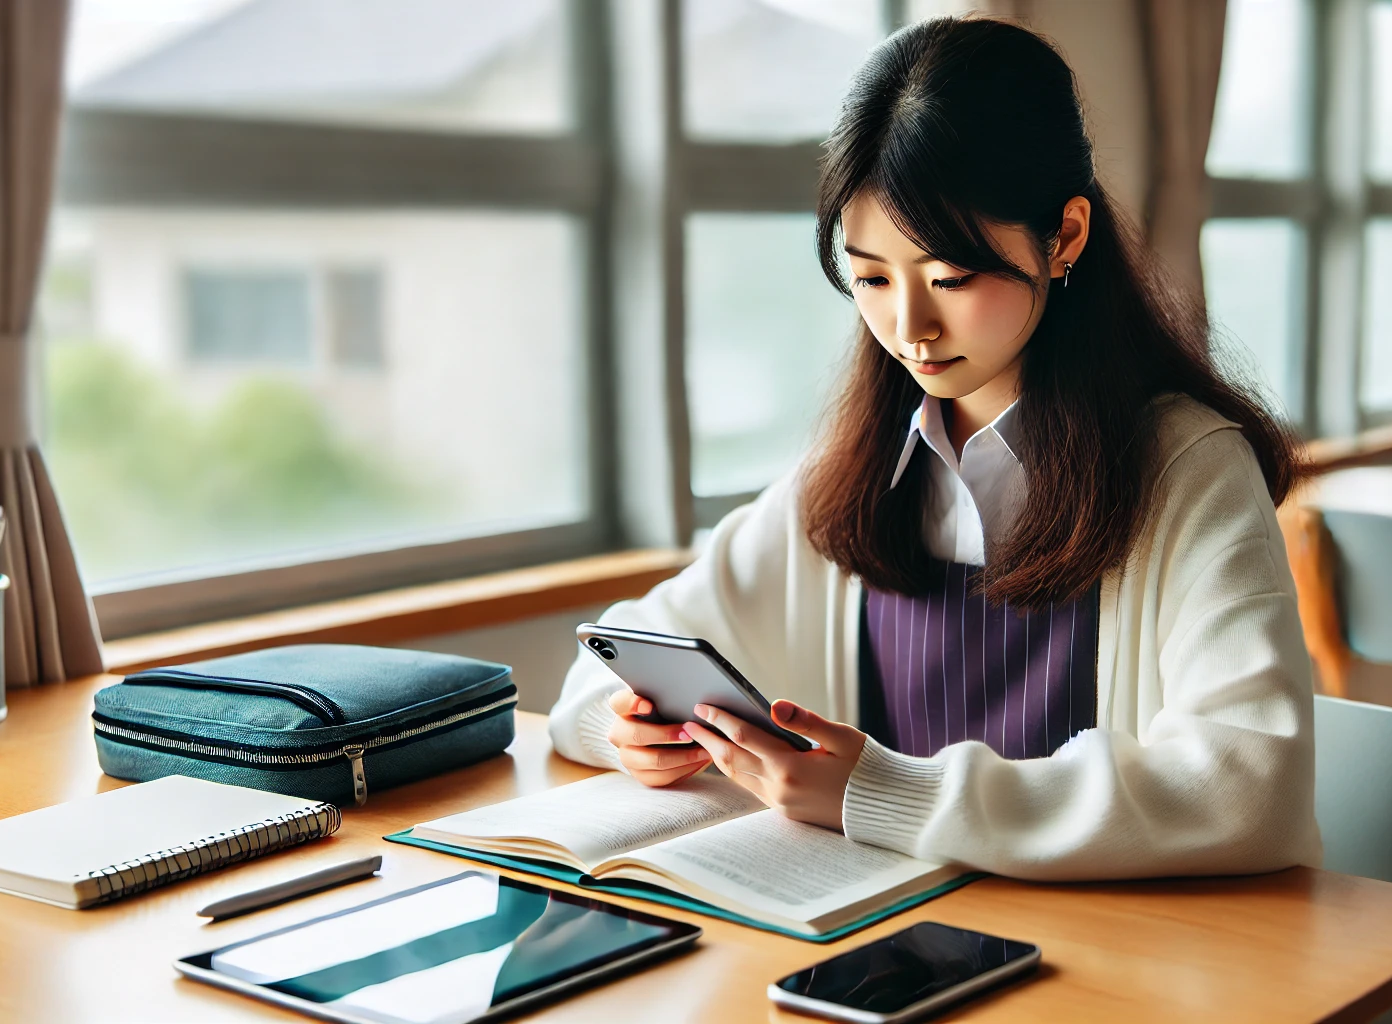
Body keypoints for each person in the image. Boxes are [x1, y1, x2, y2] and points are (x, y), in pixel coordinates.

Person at [548, 15, 1322, 881]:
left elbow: (1249, 781)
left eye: (950, 277)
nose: (909, 327)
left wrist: (885, 792)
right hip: (881, 941)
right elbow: (611, 661)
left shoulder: (1188, 469)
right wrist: (630, 727)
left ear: (1065, 236)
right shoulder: (853, 477)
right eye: (872, 277)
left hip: (1114, 960)